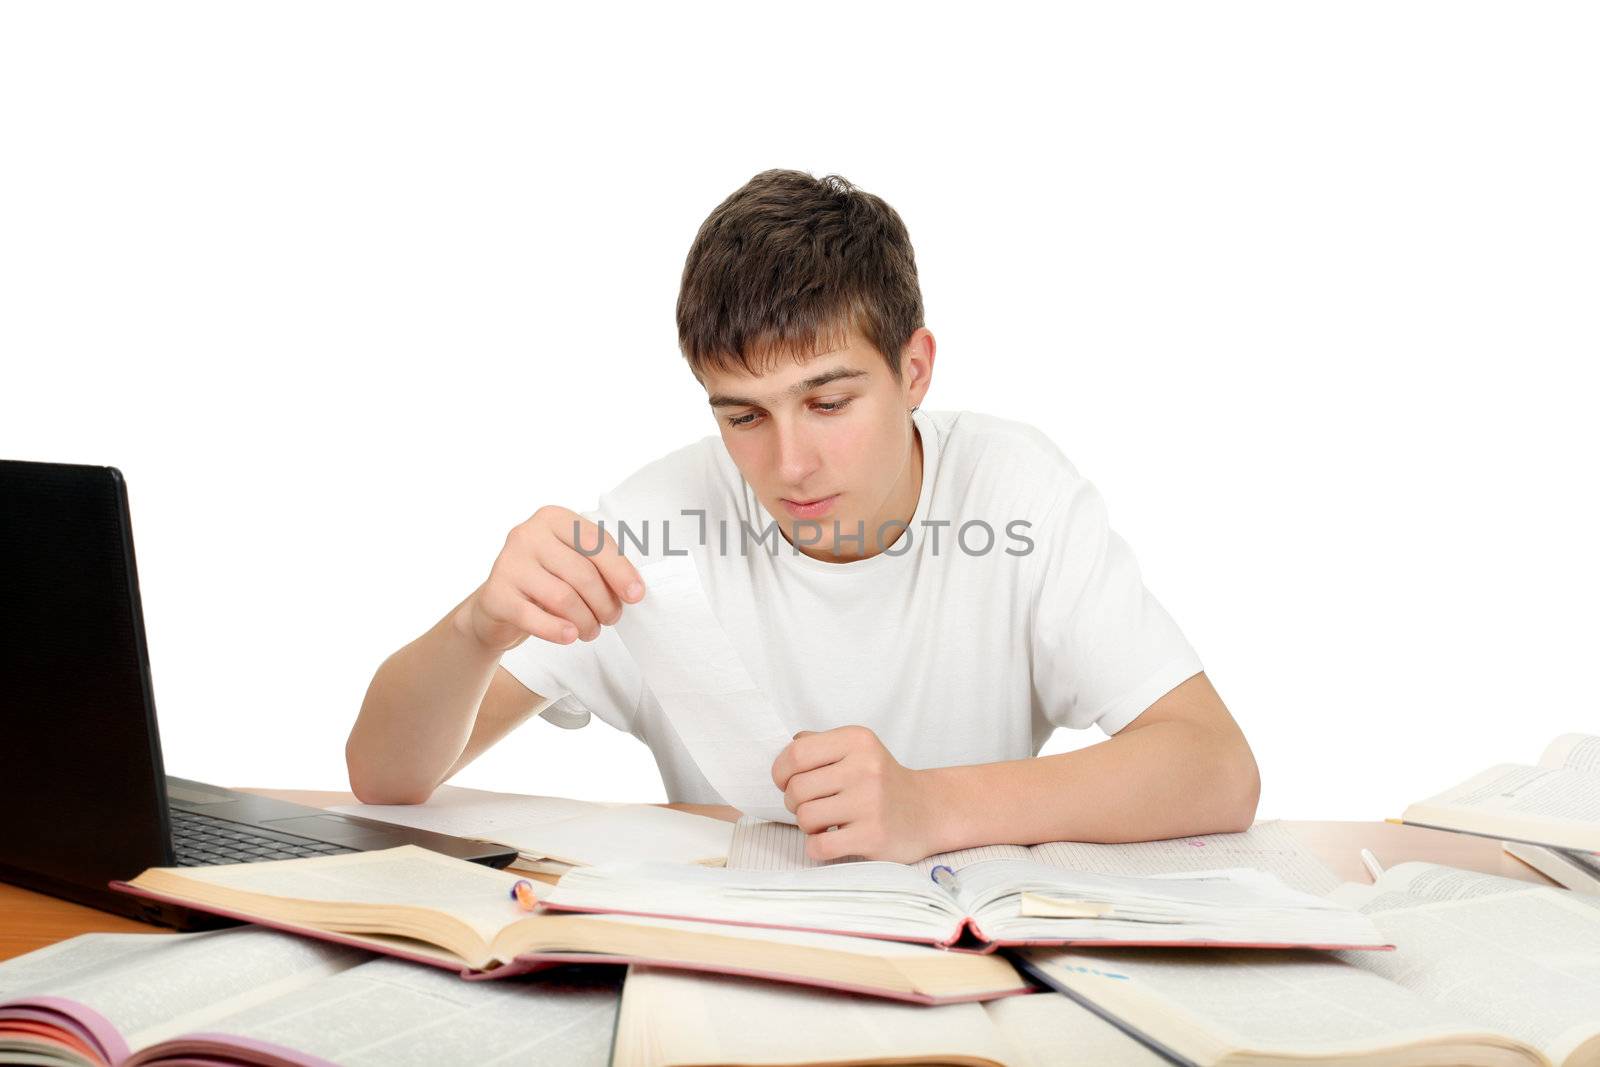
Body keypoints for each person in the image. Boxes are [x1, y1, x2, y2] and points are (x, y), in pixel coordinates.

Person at [345, 168, 1260, 863]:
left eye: (828, 402)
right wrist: (475, 628)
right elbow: (386, 778)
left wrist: (933, 807)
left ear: (915, 369)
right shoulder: (657, 519)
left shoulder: (1014, 490)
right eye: (743, 414)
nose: (787, 463)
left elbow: (1215, 765)